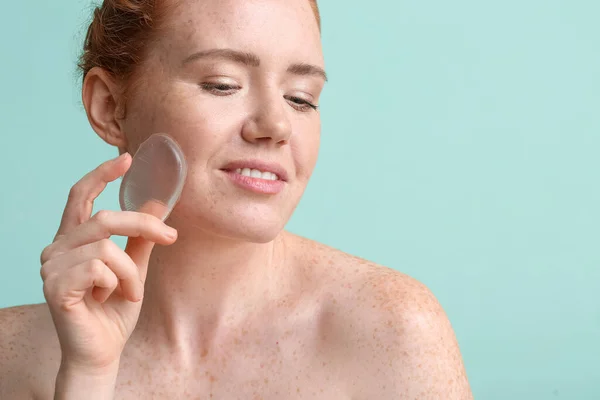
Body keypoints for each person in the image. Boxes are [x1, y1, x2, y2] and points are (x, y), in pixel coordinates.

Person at [0, 0, 473, 398]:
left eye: (302, 97)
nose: (276, 125)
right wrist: (86, 378)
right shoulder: (13, 358)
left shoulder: (393, 331)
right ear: (109, 107)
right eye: (222, 84)